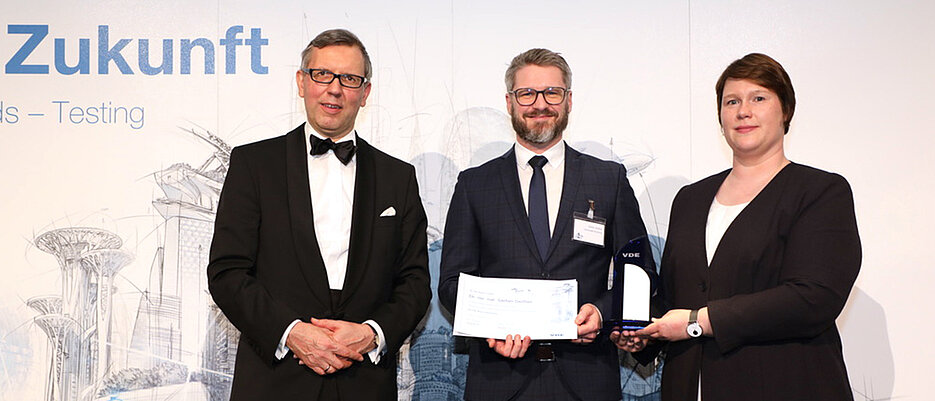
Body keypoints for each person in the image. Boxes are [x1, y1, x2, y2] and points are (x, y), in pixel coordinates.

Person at [613, 53, 861, 401]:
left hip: (785, 385)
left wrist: (697, 321)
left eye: (758, 98)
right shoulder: (690, 199)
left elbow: (813, 298)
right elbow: (677, 298)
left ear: (785, 110)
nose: (743, 111)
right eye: (732, 101)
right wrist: (645, 334)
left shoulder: (820, 192)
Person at [207, 28, 431, 401]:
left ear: (365, 92)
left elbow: (415, 281)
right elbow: (227, 272)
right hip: (274, 382)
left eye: (349, 79)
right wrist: (291, 332)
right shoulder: (253, 165)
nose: (334, 88)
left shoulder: (398, 177)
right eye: (322, 74)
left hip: (364, 383)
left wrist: (372, 333)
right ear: (301, 81)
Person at [438, 48, 650, 401]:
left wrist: (601, 312)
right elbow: (451, 282)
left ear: (568, 101)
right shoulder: (474, 185)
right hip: (499, 382)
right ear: (510, 102)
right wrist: (493, 326)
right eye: (527, 94)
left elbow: (639, 273)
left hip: (588, 381)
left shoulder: (608, 179)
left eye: (552, 92)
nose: (540, 104)